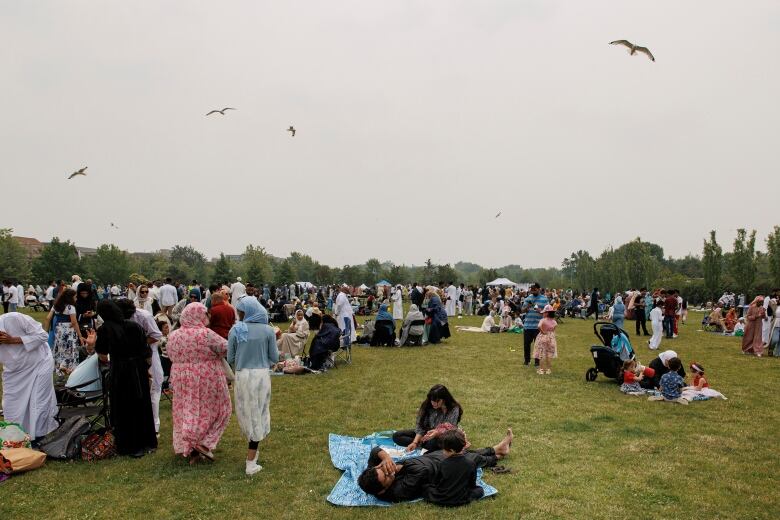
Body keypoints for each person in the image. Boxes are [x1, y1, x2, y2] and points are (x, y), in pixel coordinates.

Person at [358, 429, 513, 503]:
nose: (386, 471)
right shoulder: (398, 492)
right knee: (470, 459)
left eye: (381, 469)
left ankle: (497, 450)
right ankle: (497, 454)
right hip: (439, 467)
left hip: (429, 457)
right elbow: (422, 471)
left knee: (463, 452)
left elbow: (374, 451)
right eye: (386, 477)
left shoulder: (373, 472)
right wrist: (397, 468)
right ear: (383, 489)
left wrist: (384, 457)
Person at [87, 300, 157, 457]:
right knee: (142, 404)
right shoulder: (134, 326)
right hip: (138, 368)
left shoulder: (105, 329)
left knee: (124, 407)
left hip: (121, 370)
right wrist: (145, 369)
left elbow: (103, 356)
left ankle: (129, 445)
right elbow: (146, 353)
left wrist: (91, 346)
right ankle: (147, 442)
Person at [167, 303, 231, 464]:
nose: (207, 317)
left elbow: (169, 353)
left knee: (187, 410)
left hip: (181, 377)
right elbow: (226, 348)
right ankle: (204, 443)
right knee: (220, 408)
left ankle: (190, 447)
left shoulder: (174, 335)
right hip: (207, 376)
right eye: (205, 314)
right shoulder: (205, 334)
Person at [227, 296, 279, 476]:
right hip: (261, 375)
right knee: (260, 412)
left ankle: (252, 451)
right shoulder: (267, 330)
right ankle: (251, 460)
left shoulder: (236, 329)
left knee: (247, 411)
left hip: (242, 375)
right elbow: (275, 357)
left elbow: (230, 357)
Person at [0, 312, 59, 440]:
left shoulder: (14, 318)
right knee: (10, 405)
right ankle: (14, 438)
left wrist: (13, 340)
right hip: (14, 370)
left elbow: (43, 336)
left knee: (38, 401)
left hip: (40, 362)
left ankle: (39, 437)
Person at [392, 384, 463, 452]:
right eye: (432, 400)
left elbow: (450, 429)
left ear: (444, 399)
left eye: (437, 401)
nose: (433, 403)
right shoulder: (427, 405)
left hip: (443, 436)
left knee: (432, 443)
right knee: (397, 436)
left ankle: (425, 445)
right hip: (427, 432)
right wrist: (415, 442)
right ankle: (422, 444)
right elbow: (420, 425)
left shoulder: (454, 408)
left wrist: (436, 433)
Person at [425, 429, 484, 507]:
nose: (442, 452)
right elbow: (472, 484)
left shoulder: (442, 463)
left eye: (444, 450)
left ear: (452, 450)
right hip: (461, 498)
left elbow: (436, 483)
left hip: (440, 498)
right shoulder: (471, 463)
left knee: (426, 487)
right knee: (480, 490)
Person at [47, 289, 85, 377]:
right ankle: (69, 366)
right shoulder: (70, 307)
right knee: (69, 348)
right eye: (75, 297)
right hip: (68, 330)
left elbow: (48, 317)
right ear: (70, 298)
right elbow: (74, 322)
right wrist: (80, 335)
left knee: (60, 348)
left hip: (59, 329)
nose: (76, 299)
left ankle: (59, 366)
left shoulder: (56, 306)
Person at [521, 283, 549, 366]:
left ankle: (537, 362)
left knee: (538, 345)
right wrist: (528, 306)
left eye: (534, 289)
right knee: (526, 345)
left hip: (538, 326)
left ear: (539, 289)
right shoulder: (528, 298)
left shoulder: (544, 299)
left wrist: (540, 310)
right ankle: (527, 361)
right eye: (531, 289)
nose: (532, 290)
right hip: (527, 325)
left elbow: (547, 312)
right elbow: (522, 311)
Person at [533, 305, 558, 375]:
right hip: (551, 338)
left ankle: (541, 370)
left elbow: (538, 326)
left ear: (547, 313)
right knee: (549, 354)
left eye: (544, 312)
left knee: (542, 354)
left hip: (543, 337)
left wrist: (543, 332)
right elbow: (554, 328)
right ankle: (548, 370)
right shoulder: (554, 321)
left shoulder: (543, 320)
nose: (543, 314)